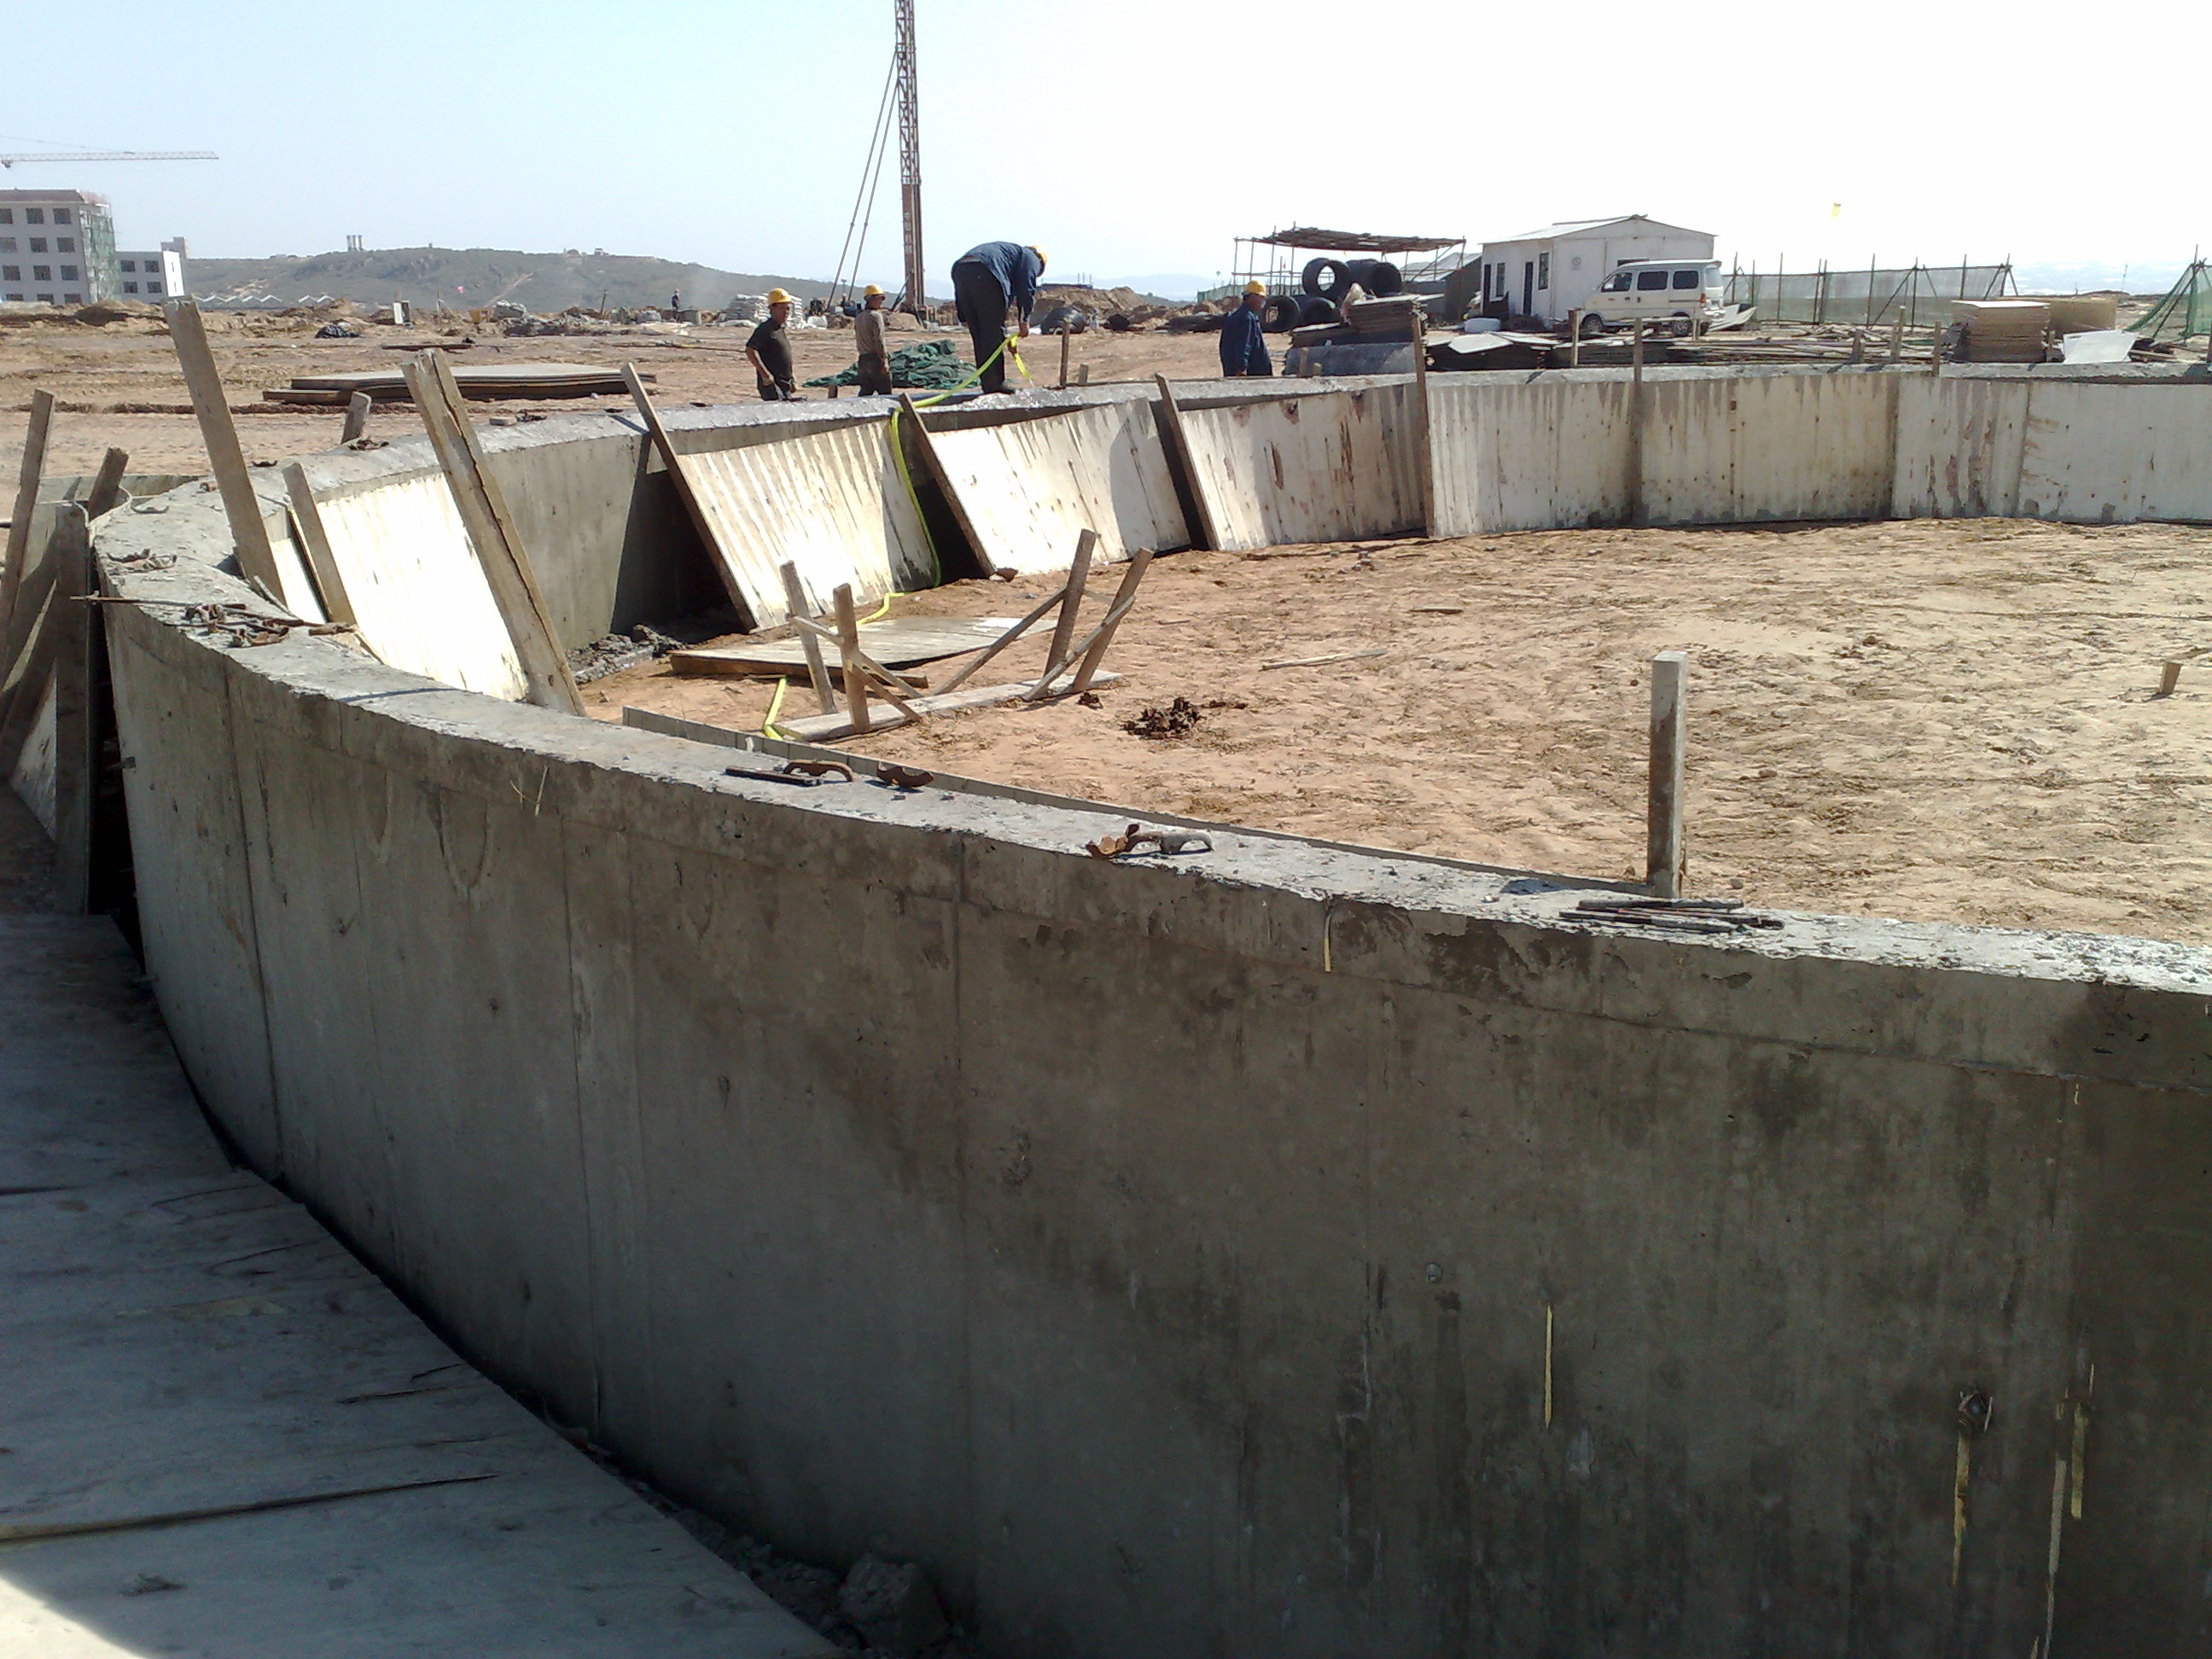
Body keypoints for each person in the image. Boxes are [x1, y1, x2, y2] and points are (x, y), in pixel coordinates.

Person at [951, 241, 1045, 394]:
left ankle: (988, 384)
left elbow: (999, 309)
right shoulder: (1030, 257)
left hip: (961, 269)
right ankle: (995, 385)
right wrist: (1024, 321)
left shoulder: (1009, 258)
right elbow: (1027, 289)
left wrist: (1003, 336)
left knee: (981, 336)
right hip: (986, 270)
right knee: (991, 334)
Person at [748, 288, 798, 401]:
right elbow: (750, 350)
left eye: (787, 308)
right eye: (781, 308)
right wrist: (765, 375)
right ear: (771, 308)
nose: (786, 312)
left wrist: (791, 378)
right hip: (772, 386)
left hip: (784, 386)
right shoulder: (765, 330)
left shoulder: (779, 329)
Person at [1220, 280, 1272, 378]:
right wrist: (1241, 368)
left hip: (1233, 372)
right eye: (1261, 298)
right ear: (1252, 297)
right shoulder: (1246, 318)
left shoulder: (1236, 316)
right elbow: (1243, 345)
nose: (1263, 302)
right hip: (1252, 374)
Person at [853, 284, 894, 396]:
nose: (881, 302)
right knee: (885, 396)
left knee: (865, 395)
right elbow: (879, 340)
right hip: (875, 360)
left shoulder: (859, 317)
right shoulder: (876, 316)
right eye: (880, 299)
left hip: (863, 362)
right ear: (872, 299)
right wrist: (884, 361)